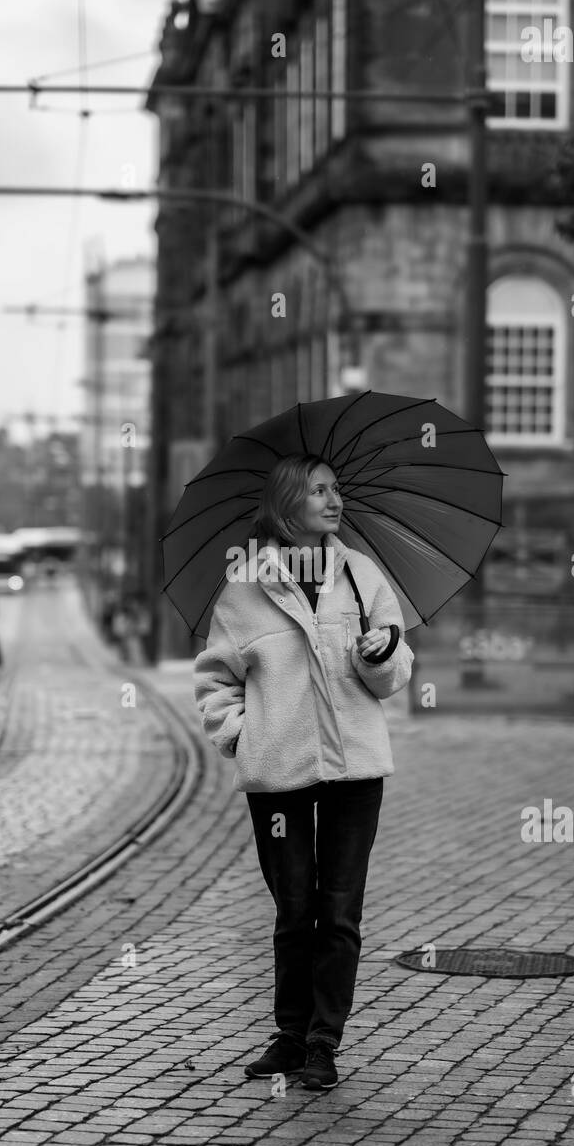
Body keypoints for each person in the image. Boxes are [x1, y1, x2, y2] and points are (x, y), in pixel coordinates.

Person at [194, 454, 414, 1091]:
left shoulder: (360, 573)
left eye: (335, 488)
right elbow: (215, 678)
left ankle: (323, 1043)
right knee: (295, 910)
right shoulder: (244, 588)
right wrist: (243, 734)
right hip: (280, 771)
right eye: (318, 490)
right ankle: (289, 1037)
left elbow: (395, 674)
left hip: (354, 767)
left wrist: (383, 651)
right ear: (288, 503)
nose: (333, 499)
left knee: (339, 911)